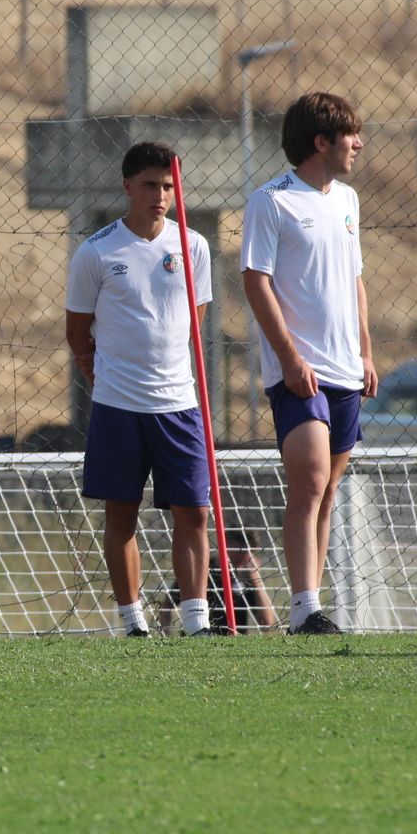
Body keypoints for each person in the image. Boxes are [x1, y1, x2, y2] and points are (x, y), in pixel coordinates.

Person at [240, 92, 379, 635]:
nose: (359, 145)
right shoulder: (271, 201)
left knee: (327, 490)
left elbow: (354, 279)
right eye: (351, 136)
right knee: (310, 478)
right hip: (300, 371)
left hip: (346, 368)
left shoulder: (346, 200)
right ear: (322, 142)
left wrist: (366, 350)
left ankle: (310, 607)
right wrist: (289, 358)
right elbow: (256, 281)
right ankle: (304, 607)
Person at [65, 141, 214, 638]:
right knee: (121, 512)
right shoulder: (97, 251)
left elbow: (196, 318)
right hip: (118, 406)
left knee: (193, 510)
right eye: (150, 184)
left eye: (168, 185)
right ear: (128, 186)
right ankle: (132, 622)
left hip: (179, 404)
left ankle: (196, 622)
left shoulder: (193, 245)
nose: (160, 195)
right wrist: (100, 374)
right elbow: (77, 331)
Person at [160, 528, 279, 635]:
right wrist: (167, 633)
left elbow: (267, 625)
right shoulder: (203, 571)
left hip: (232, 643)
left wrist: (256, 580)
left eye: (249, 552)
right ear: (227, 544)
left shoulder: (246, 578)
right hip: (197, 635)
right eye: (241, 551)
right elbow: (167, 604)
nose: (245, 557)